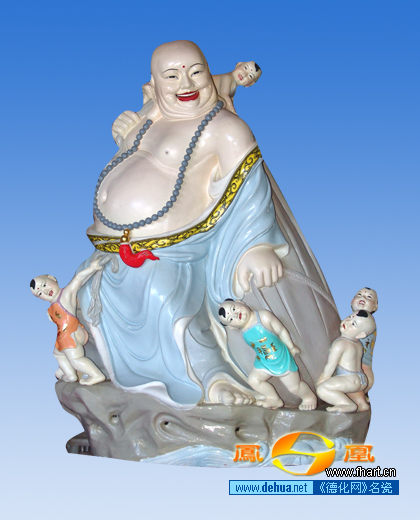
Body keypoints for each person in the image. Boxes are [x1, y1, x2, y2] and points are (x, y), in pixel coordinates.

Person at [77, 40, 340, 407]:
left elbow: (250, 188)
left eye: (196, 72)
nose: (186, 83)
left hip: (176, 249)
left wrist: (258, 246)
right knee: (86, 296)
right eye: (172, 76)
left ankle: (212, 377)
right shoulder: (150, 117)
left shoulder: (225, 128)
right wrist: (125, 136)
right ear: (153, 85)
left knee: (167, 300)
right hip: (115, 248)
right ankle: (116, 379)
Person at [218, 299, 317, 410]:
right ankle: (273, 398)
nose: (236, 315)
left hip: (280, 359)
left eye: (233, 309)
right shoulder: (243, 332)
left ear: (240, 302)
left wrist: (291, 346)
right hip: (263, 361)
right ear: (232, 327)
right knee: (253, 380)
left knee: (294, 387)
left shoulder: (263, 316)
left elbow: (281, 331)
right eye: (231, 319)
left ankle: (309, 397)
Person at [30, 259, 106, 386]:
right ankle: (67, 372)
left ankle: (95, 375)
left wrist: (92, 268)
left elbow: (78, 279)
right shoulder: (51, 306)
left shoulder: (65, 294)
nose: (45, 291)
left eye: (44, 285)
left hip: (71, 334)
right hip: (63, 336)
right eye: (40, 293)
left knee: (76, 359)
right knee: (57, 353)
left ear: (52, 278)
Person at [316, 311, 376, 413]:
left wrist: (324, 379)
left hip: (348, 378)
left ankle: (346, 404)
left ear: (361, 334)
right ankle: (362, 404)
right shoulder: (358, 344)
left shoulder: (340, 343)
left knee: (322, 389)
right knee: (351, 388)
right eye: (350, 317)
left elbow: (331, 365)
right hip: (361, 379)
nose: (347, 322)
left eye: (353, 324)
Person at [351, 287, 378, 394]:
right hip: (366, 370)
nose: (363, 298)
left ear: (375, 306)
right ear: (352, 301)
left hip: (359, 368)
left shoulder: (364, 320)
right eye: (359, 295)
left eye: (369, 297)